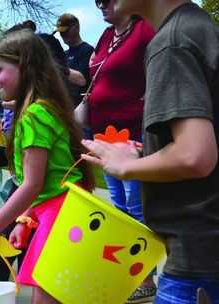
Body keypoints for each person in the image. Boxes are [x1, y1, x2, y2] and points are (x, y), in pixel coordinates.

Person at [82, 0, 219, 302]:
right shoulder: (196, 26)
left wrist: (127, 167)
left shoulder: (171, 41)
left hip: (196, 264)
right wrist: (149, 153)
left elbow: (195, 155)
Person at [0, 30, 95, 304]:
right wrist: (26, 220)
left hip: (59, 215)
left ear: (25, 67)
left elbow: (32, 184)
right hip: (62, 212)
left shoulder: (34, 115)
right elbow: (47, 180)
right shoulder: (46, 108)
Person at [88, 2, 156, 301]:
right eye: (96, 0)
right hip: (104, 133)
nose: (101, 4)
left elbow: (164, 67)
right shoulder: (106, 35)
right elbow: (95, 69)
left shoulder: (144, 29)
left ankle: (146, 278)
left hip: (133, 133)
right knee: (119, 206)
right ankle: (129, 274)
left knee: (136, 205)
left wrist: (150, 99)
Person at [54, 13, 95, 107]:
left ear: (76, 28)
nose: (62, 34)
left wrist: (56, 66)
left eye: (65, 31)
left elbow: (82, 80)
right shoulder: (65, 54)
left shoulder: (87, 50)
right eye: (60, 32)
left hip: (81, 107)